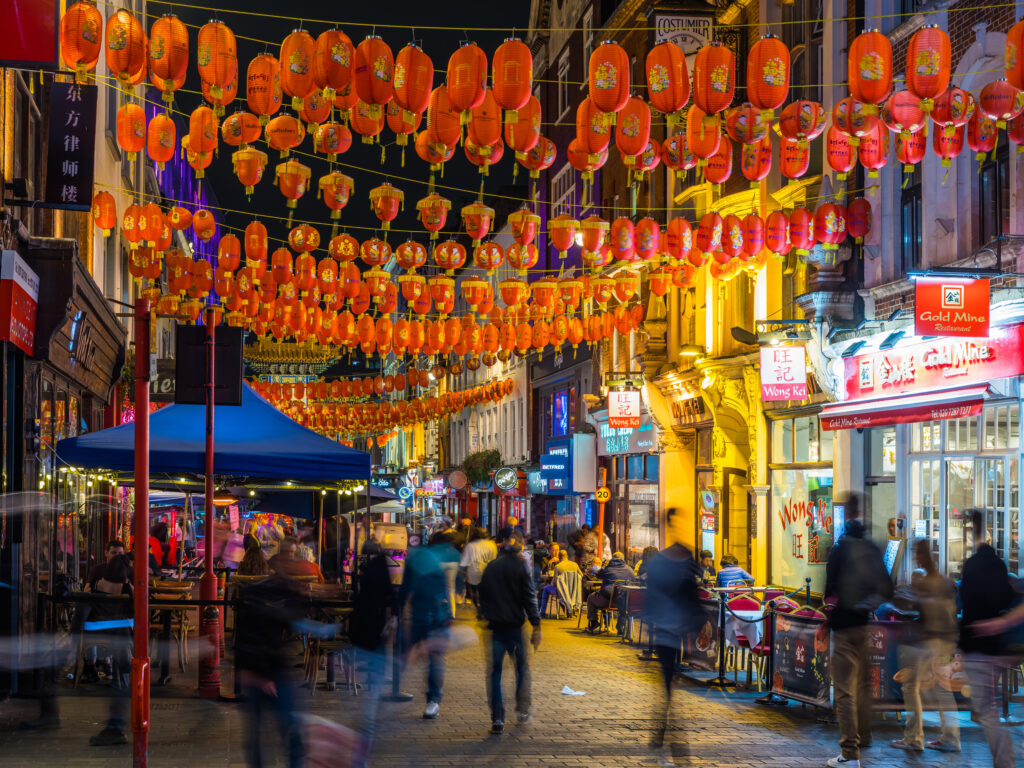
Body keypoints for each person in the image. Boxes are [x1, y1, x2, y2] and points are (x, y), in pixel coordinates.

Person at [824, 494, 893, 768]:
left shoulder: (840, 549)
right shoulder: (872, 547)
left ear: (847, 512)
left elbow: (829, 592)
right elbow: (887, 587)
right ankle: (865, 736)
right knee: (864, 686)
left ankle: (850, 754)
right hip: (865, 623)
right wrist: (868, 604)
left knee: (844, 691)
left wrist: (828, 620)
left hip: (843, 626)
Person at [957, 509, 1015, 767]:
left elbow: (965, 604)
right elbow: (1005, 599)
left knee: (987, 711)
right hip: (996, 646)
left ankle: (1005, 761)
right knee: (988, 707)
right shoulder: (1000, 565)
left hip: (977, 644)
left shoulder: (970, 566)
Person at [890, 539, 960, 754]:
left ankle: (914, 738)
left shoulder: (928, 582)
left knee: (911, 686)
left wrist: (904, 597)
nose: (915, 558)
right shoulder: (944, 581)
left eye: (916, 554)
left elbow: (922, 609)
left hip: (929, 641)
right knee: (942, 689)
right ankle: (950, 738)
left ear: (920, 555)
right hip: (947, 640)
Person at [643, 508, 701, 767]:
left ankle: (662, 733)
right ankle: (669, 736)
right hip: (672, 631)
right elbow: (692, 595)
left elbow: (652, 596)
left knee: (669, 684)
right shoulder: (683, 561)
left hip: (667, 630)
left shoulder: (663, 562)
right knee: (669, 685)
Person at [235, 572, 305, 768]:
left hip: (266, 671)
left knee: (263, 732)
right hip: (268, 672)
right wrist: (256, 676)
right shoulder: (266, 601)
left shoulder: (256, 598)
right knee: (286, 730)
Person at [478, 527, 542, 735]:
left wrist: (487, 614)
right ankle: (522, 709)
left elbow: (482, 596)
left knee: (495, 673)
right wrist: (536, 625)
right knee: (521, 669)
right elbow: (529, 597)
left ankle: (497, 717)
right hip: (515, 627)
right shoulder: (520, 567)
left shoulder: (491, 567)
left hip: (496, 628)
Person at [399, 530, 458, 719]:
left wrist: (397, 609)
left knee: (419, 654)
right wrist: (448, 615)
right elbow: (441, 591)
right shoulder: (435, 558)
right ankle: (433, 700)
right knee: (434, 659)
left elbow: (406, 587)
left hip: (422, 615)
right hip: (433, 617)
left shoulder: (418, 556)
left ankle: (432, 698)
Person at [349, 541, 396, 768]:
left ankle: (361, 749)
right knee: (370, 702)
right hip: (375, 639)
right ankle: (363, 747)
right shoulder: (381, 573)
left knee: (367, 704)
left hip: (362, 640)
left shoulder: (367, 577)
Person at [87, 554, 134, 747]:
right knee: (121, 680)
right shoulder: (126, 588)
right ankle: (116, 725)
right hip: (121, 638)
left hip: (99, 636)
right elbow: (135, 613)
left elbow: (86, 605)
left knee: (120, 681)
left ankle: (116, 725)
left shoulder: (96, 585)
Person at [585, 551, 634, 633]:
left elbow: (598, 575)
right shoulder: (629, 570)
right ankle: (620, 625)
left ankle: (594, 622)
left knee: (590, 598)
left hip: (607, 600)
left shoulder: (608, 568)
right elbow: (633, 580)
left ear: (613, 558)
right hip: (622, 602)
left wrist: (594, 570)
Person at [459, 527, 497, 617]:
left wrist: (462, 572)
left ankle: (478, 607)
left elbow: (464, 562)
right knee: (486, 591)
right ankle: (485, 609)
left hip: (473, 572)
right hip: (488, 571)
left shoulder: (470, 545)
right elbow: (494, 559)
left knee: (475, 590)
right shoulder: (492, 544)